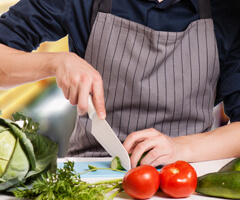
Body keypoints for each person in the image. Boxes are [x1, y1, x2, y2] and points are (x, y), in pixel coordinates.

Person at [0, 0, 240, 169]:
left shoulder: (228, 10)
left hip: (185, 177)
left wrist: (180, 149)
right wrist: (56, 62)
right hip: (92, 173)